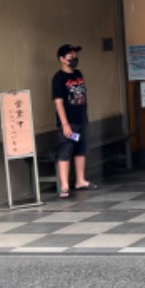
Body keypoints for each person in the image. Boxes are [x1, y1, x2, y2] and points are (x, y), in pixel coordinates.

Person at [52, 44, 97, 198]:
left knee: (80, 149)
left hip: (82, 120)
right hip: (69, 122)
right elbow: (58, 102)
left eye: (75, 55)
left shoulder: (78, 73)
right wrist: (64, 124)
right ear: (62, 59)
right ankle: (64, 186)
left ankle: (80, 180)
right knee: (66, 149)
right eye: (70, 56)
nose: (74, 58)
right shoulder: (58, 78)